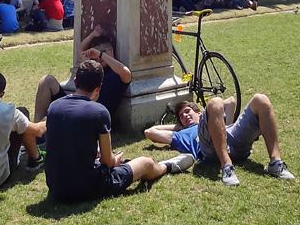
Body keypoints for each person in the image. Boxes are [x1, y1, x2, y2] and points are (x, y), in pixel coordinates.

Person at [45, 60, 192, 203]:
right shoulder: (99, 112)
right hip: (86, 188)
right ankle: (167, 166)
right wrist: (116, 159)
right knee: (145, 162)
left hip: (56, 187)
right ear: (98, 88)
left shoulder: (54, 107)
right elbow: (108, 162)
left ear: (75, 81)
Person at [144, 95, 295, 187]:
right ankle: (227, 166)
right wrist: (179, 126)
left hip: (232, 138)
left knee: (261, 100)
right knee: (215, 101)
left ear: (198, 111)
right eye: (181, 116)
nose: (184, 116)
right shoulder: (181, 134)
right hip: (209, 149)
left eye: (187, 111)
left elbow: (230, 101)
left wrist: (220, 117)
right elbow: (150, 132)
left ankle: (275, 163)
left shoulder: (212, 113)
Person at [33, 24, 131, 122]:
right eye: (97, 54)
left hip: (92, 114)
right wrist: (93, 35)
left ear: (111, 50)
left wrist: (101, 55)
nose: (98, 58)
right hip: (75, 104)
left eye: (103, 51)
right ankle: (36, 126)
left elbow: (126, 74)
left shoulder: (116, 73)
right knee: (47, 80)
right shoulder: (93, 67)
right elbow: (80, 51)